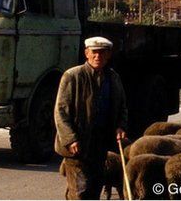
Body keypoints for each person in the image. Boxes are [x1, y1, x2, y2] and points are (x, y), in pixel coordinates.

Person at [54, 36, 128, 200]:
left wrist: (121, 126)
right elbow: (61, 111)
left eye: (102, 53)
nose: (98, 56)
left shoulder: (113, 78)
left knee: (94, 190)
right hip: (77, 146)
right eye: (94, 52)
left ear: (108, 55)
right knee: (81, 192)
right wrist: (70, 138)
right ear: (86, 53)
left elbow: (122, 106)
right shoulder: (73, 76)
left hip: (99, 145)